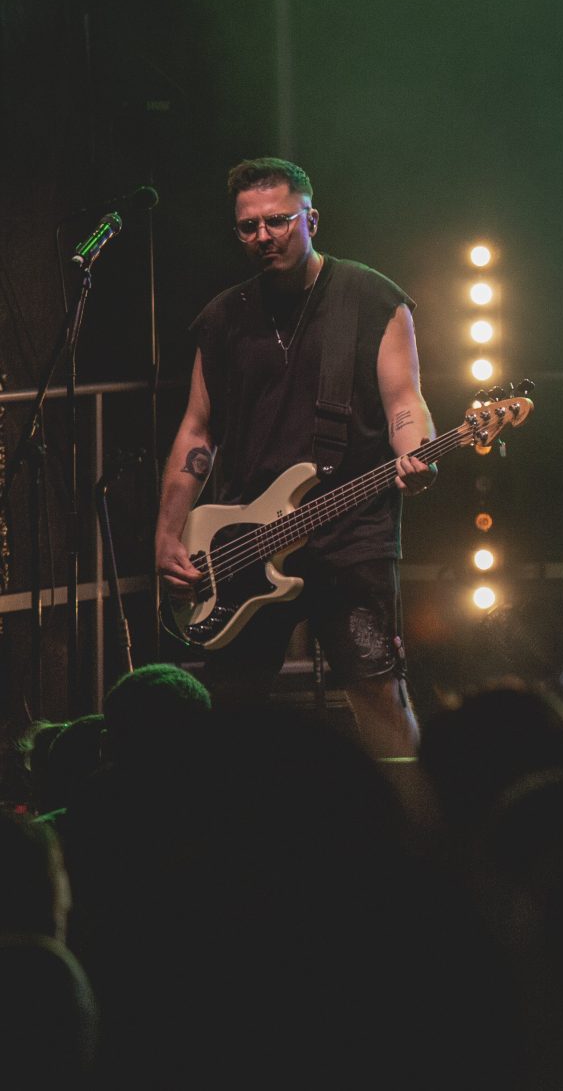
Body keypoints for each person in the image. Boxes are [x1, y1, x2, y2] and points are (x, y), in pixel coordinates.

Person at [154, 157, 434, 758]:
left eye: (278, 221)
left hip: (350, 532)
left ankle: (410, 810)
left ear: (311, 219)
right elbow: (197, 431)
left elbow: (404, 399)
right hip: (243, 541)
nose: (264, 236)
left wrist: (414, 452)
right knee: (232, 707)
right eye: (248, 226)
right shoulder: (223, 318)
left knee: (377, 692)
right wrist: (168, 534)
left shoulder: (371, 298)